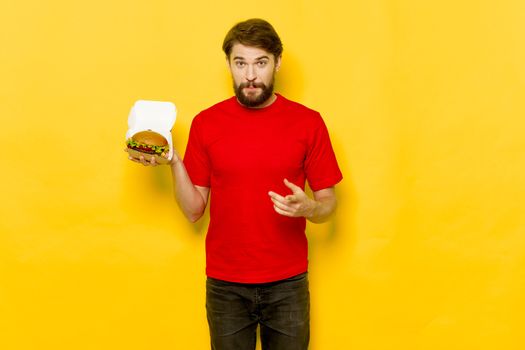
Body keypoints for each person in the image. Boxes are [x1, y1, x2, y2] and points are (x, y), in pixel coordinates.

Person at [127, 18, 343, 350]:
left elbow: (328, 204)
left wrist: (310, 207)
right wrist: (173, 161)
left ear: (277, 62)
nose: (251, 75)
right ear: (229, 63)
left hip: (287, 284)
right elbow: (193, 211)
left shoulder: (308, 122)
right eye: (241, 63)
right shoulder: (206, 123)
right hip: (226, 286)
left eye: (261, 63)